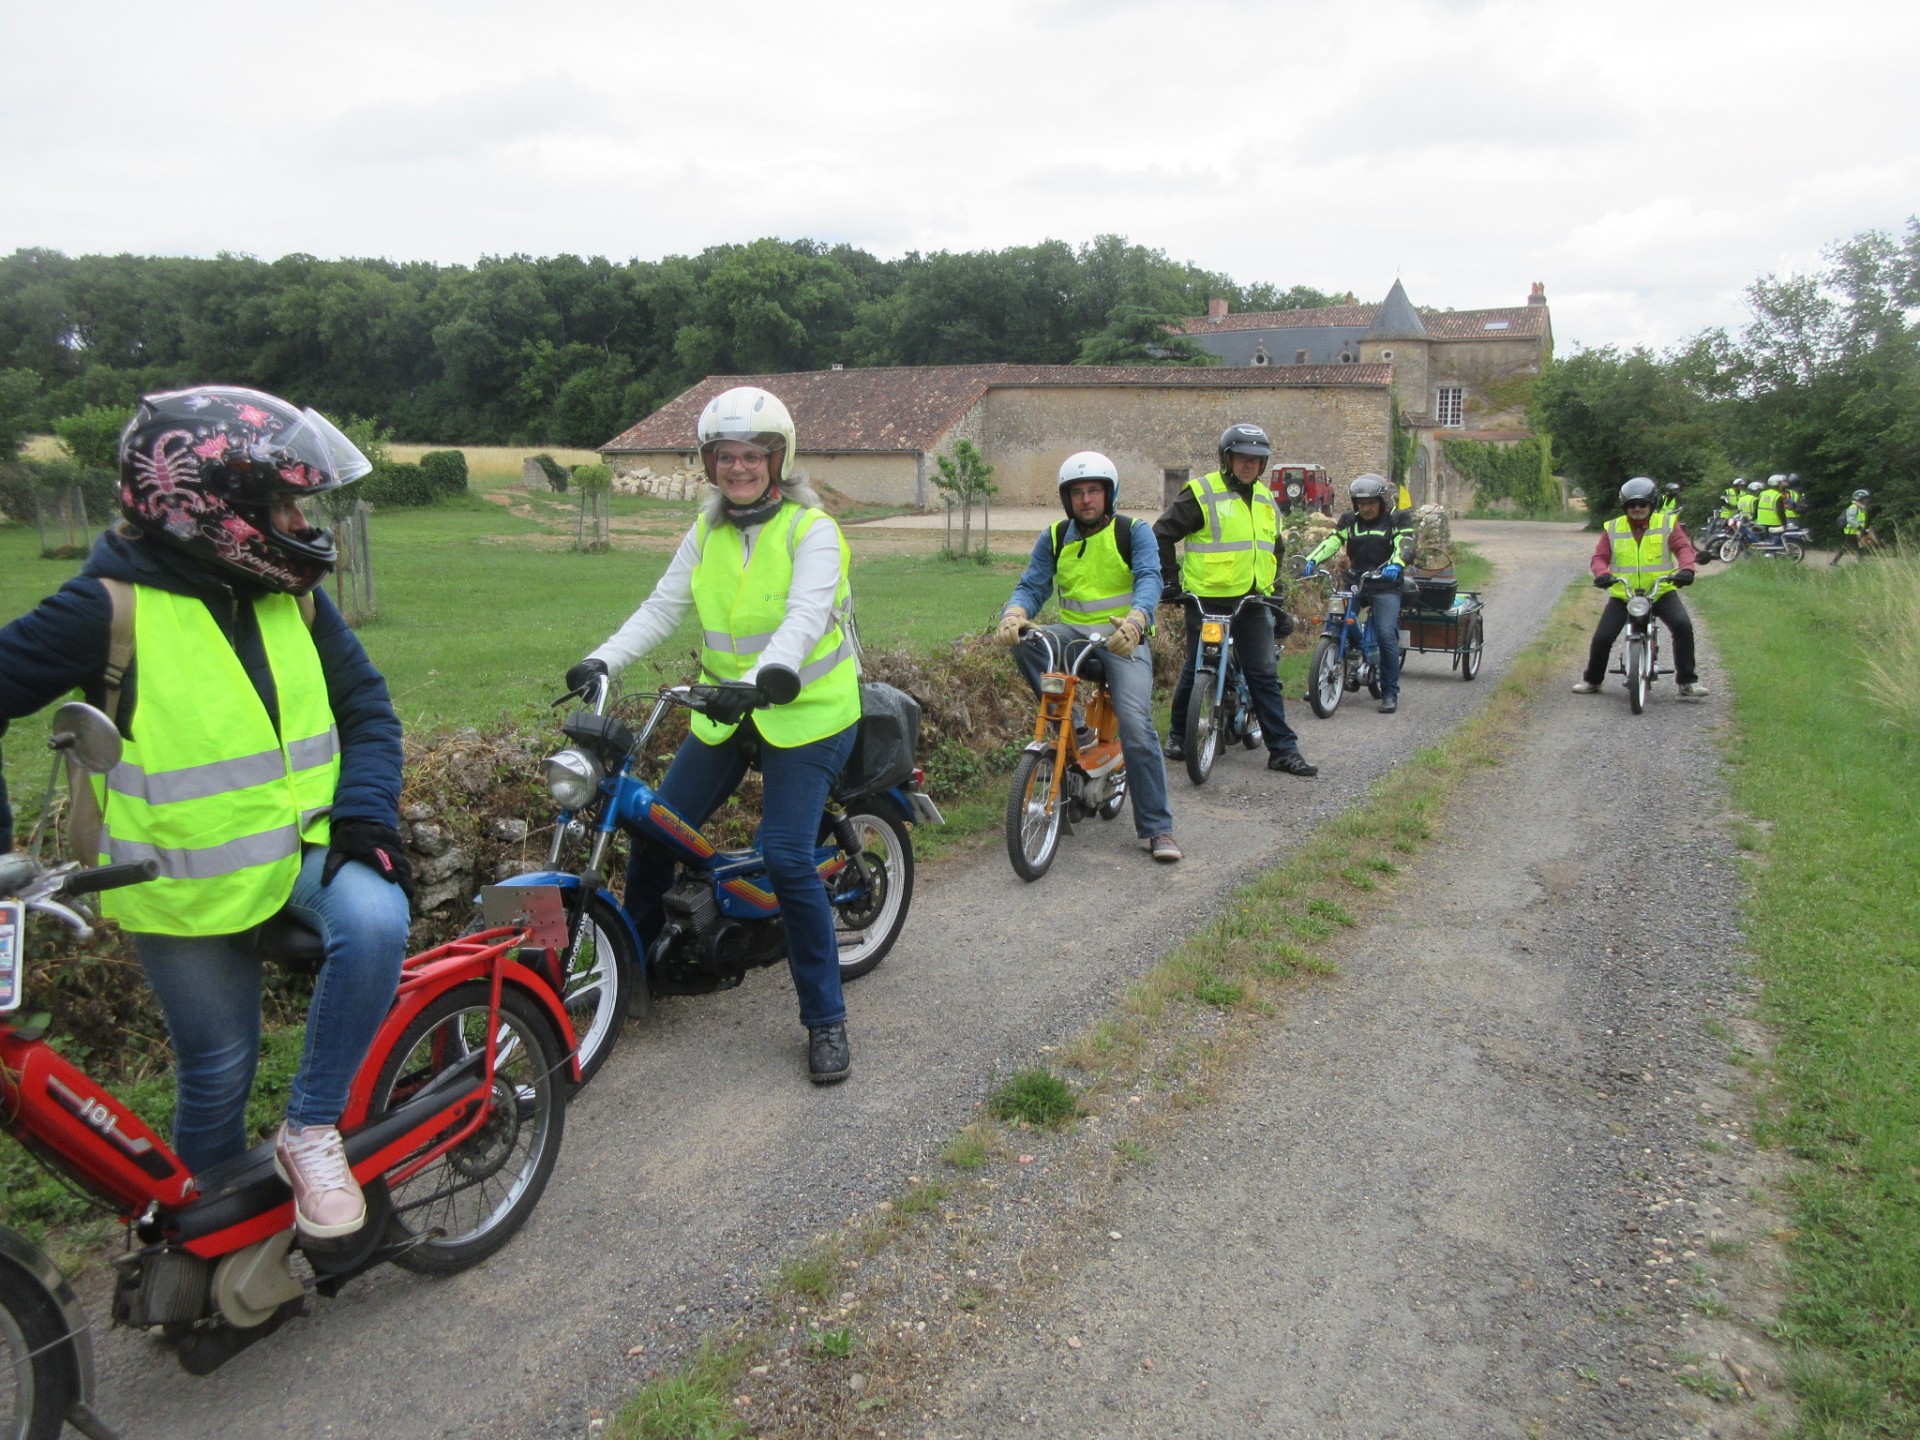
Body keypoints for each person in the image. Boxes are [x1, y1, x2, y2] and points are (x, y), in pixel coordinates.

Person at [0, 387, 411, 1240]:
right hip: (177, 880)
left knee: (375, 920)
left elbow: (366, 705)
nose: (300, 521)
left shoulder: (288, 593)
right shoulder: (106, 607)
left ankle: (310, 1130)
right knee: (218, 1071)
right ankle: (211, 1252)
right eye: (281, 502)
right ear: (209, 507)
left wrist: (366, 814)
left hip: (303, 852)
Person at [563, 386, 861, 1084]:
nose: (738, 468)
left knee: (787, 855)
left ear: (778, 459)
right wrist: (604, 657)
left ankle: (826, 1020)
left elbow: (807, 614)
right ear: (709, 463)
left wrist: (772, 672)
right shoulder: (708, 531)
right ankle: (632, 980)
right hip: (727, 712)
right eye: (725, 456)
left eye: (752, 455)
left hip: (807, 711)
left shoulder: (811, 530)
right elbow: (662, 606)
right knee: (654, 831)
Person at [996, 452, 1180, 861]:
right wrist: (1014, 612)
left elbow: (1150, 579)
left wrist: (1136, 621)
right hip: (1074, 638)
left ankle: (1158, 829)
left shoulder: (1134, 532)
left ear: (1108, 494)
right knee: (1027, 640)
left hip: (1122, 639)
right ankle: (1076, 728)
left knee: (1136, 726)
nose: (1086, 500)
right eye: (1077, 493)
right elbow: (1032, 585)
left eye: (1094, 490)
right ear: (1067, 499)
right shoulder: (1056, 536)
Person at [1152, 424, 1316, 777]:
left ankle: (1283, 750)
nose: (1249, 465)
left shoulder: (1266, 499)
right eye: (1242, 457)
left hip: (1254, 601)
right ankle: (1180, 735)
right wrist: (1169, 581)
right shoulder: (1202, 492)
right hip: (1207, 599)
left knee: (1263, 674)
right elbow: (1162, 534)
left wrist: (1277, 597)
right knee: (1197, 666)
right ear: (1227, 459)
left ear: (1263, 464)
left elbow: (1276, 548)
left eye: (1256, 460)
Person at [1572, 476, 1708, 699]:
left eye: (1642, 504)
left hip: (1660, 591)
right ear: (1625, 506)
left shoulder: (1667, 524)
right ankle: (1592, 680)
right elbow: (1600, 557)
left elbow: (1683, 548)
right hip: (1624, 595)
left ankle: (1687, 682)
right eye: (1631, 505)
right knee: (1603, 638)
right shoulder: (1613, 527)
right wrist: (1602, 574)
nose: (1637, 509)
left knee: (1683, 626)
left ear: (1651, 504)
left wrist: (1686, 569)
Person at [1300, 474, 1416, 714]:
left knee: (1385, 634)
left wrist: (1397, 564)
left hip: (1385, 583)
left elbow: (1405, 543)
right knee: (1334, 623)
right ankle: (1320, 681)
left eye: (1371, 503)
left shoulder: (1397, 518)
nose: (1366, 508)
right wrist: (1311, 559)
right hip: (1355, 581)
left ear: (1382, 502)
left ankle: (1390, 692)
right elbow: (1333, 541)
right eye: (1361, 504)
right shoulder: (1350, 520)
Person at [1830, 489, 1878, 565]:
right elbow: (1850, 519)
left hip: (1858, 531)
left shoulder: (1861, 508)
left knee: (1861, 546)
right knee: (1847, 547)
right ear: (1859, 499)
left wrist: (1863, 529)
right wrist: (1859, 528)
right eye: (1865, 498)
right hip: (1852, 531)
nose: (1867, 500)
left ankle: (1859, 562)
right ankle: (1834, 561)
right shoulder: (1854, 507)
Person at [1756, 474, 1786, 543]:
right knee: (1775, 541)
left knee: (1765, 540)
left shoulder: (1762, 493)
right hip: (1774, 521)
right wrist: (1784, 522)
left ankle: (1767, 553)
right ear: (1776, 484)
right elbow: (1780, 511)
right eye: (1780, 483)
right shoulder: (1778, 496)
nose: (1782, 485)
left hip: (1761, 521)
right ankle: (1772, 553)